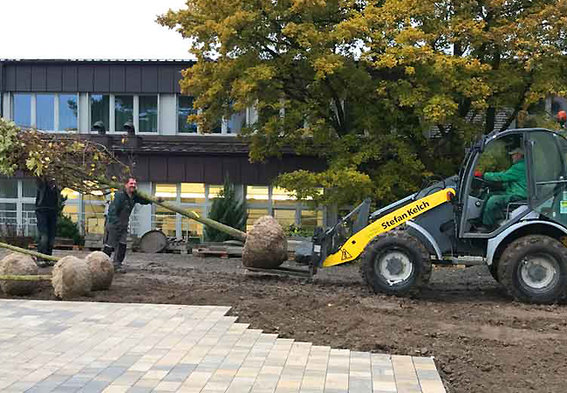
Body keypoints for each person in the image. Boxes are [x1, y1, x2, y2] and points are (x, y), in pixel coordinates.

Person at [103, 177, 151, 272]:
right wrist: (116, 223)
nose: (133, 185)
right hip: (114, 224)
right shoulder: (120, 196)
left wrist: (152, 200)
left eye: (134, 184)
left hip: (124, 225)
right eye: (131, 183)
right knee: (110, 245)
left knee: (122, 245)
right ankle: (101, 264)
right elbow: (112, 211)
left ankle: (117, 265)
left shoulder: (133, 196)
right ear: (126, 185)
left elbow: (143, 200)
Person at [476, 147, 527, 230]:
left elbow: (502, 176)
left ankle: (487, 226)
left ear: (519, 155)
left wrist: (483, 175)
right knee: (489, 195)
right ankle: (481, 220)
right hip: (515, 192)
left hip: (519, 194)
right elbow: (511, 180)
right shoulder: (521, 166)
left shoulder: (520, 167)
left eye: (513, 155)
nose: (512, 157)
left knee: (493, 200)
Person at [35, 177, 59, 266]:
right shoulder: (42, 185)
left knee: (51, 238)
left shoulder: (55, 188)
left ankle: (48, 257)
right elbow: (38, 178)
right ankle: (40, 257)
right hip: (42, 211)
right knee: (44, 236)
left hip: (53, 212)